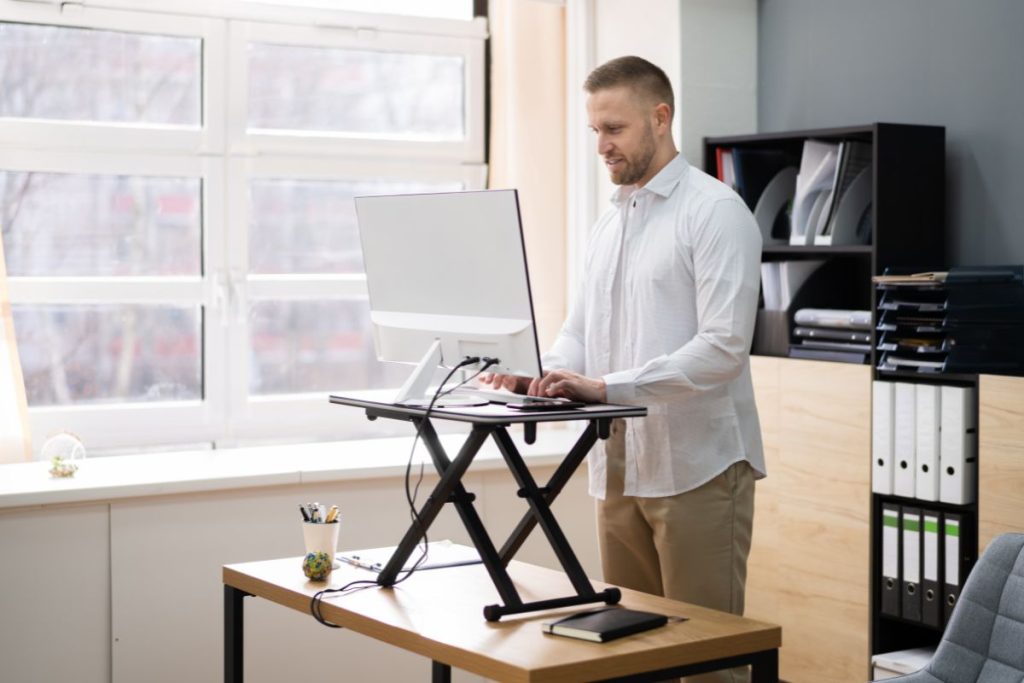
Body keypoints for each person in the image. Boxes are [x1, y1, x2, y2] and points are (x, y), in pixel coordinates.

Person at [481, 55, 764, 683]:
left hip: (697, 468)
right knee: (630, 658)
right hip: (616, 464)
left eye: (615, 129)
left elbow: (722, 347)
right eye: (595, 132)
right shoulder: (609, 225)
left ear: (660, 118)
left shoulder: (714, 212)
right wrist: (544, 375)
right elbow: (583, 331)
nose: (602, 146)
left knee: (706, 663)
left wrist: (608, 389)